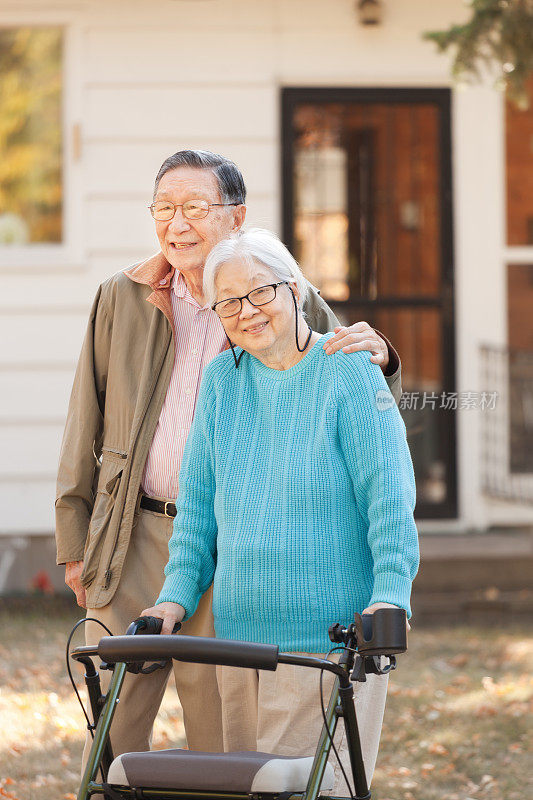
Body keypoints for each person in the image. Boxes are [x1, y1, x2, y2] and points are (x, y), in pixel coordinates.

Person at [55, 150, 403, 760]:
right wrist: (73, 537)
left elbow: (358, 394)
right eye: (164, 207)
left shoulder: (277, 282)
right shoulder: (123, 297)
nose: (176, 222)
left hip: (231, 543)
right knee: (111, 722)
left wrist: (385, 359)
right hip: (133, 528)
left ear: (235, 217)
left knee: (218, 726)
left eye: (195, 206)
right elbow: (84, 417)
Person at [141, 229, 418, 790]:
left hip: (329, 644)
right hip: (242, 642)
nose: (246, 312)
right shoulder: (222, 381)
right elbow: (197, 509)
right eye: (228, 303)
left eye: (260, 293)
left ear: (294, 289)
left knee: (311, 787)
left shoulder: (347, 371)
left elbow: (388, 494)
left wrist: (392, 594)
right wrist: (174, 598)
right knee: (253, 786)